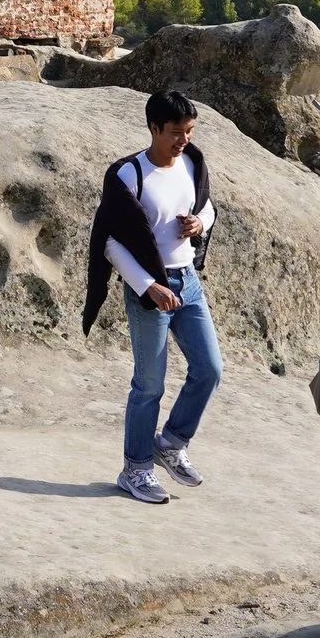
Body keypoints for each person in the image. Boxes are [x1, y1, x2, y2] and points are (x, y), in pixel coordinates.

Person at [82, 89, 222, 505]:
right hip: (149, 291)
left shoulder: (193, 162)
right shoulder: (128, 175)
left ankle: (172, 441)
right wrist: (148, 286)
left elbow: (208, 204)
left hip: (189, 282)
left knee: (210, 369)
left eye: (189, 131)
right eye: (176, 132)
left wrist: (199, 221)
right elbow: (109, 241)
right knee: (148, 386)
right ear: (154, 128)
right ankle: (136, 469)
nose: (184, 140)